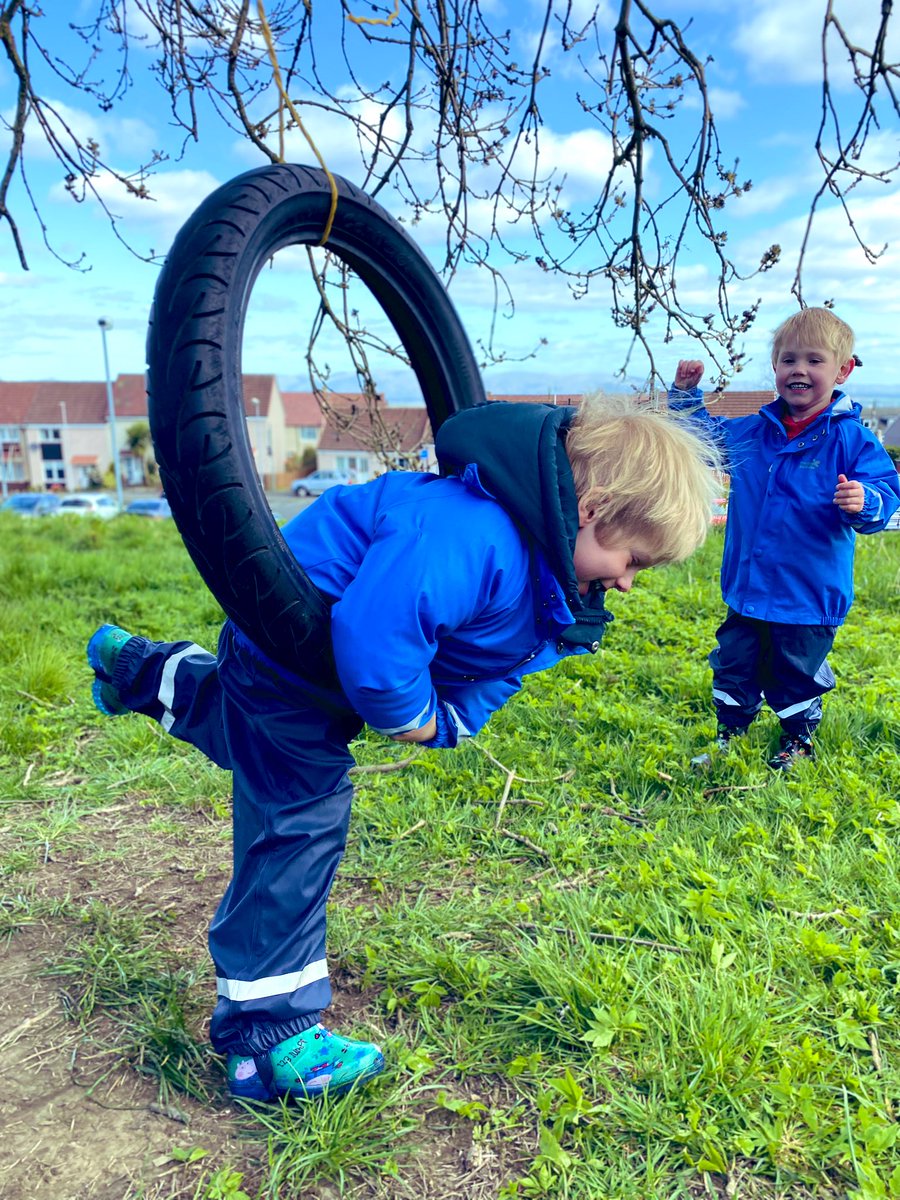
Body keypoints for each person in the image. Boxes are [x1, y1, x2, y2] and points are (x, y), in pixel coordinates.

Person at [86, 395, 720, 1103]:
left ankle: (138, 671)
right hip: (293, 640)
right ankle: (268, 1040)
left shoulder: (552, 586)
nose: (629, 581)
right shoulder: (467, 532)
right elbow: (376, 636)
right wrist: (412, 715)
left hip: (319, 679)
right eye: (633, 559)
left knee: (245, 734)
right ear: (594, 508)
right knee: (298, 817)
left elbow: (501, 665)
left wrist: (453, 722)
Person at [668, 307, 900, 771]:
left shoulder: (852, 441)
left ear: (843, 369)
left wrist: (866, 500)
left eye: (815, 361)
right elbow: (702, 440)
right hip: (747, 590)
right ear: (775, 368)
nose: (799, 370)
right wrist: (684, 397)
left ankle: (798, 739)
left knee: (796, 676)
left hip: (808, 596)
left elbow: (889, 498)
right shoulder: (754, 433)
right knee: (733, 665)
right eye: (788, 360)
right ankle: (728, 735)